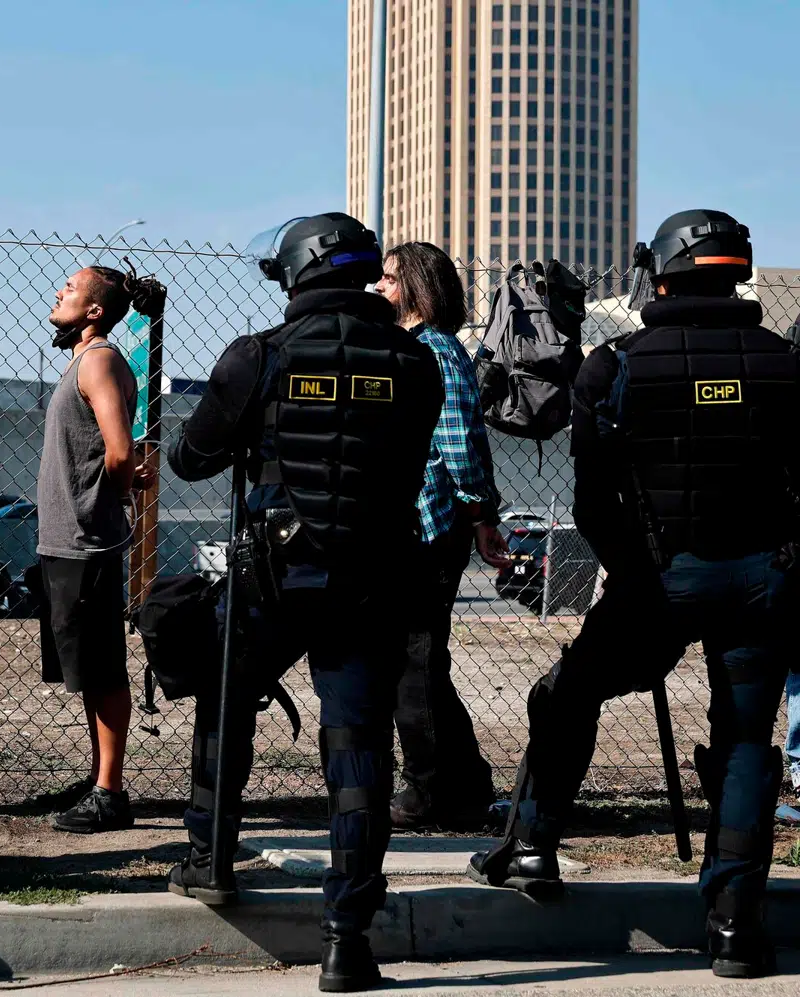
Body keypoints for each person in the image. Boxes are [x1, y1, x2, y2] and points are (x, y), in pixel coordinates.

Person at [469, 210, 800, 980]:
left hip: (658, 581)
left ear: (660, 276)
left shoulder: (614, 365)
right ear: (735, 273)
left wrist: (637, 573)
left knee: (566, 693)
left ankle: (531, 845)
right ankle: (733, 927)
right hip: (760, 582)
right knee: (748, 741)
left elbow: (592, 505)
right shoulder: (785, 363)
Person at [167, 213, 442, 992]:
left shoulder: (260, 354)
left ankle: (209, 857)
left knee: (224, 700)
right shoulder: (416, 362)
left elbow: (191, 458)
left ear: (298, 273)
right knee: (357, 748)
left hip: (276, 578)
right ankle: (346, 937)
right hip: (373, 581)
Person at [374, 242, 508, 829]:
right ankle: (468, 785)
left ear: (418, 288)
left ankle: (431, 791)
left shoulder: (438, 352)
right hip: (412, 528)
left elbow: (460, 447)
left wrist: (482, 515)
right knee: (424, 662)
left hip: (432, 530)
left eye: (389, 278)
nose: (379, 287)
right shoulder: (409, 350)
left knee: (416, 662)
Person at [38, 263, 158, 834]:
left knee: (104, 669)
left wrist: (110, 494)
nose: (59, 291)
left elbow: (118, 449)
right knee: (86, 668)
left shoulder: (102, 359)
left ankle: (110, 792)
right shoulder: (84, 359)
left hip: (86, 541)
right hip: (69, 540)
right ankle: (98, 779)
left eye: (70, 287)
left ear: (93, 311)